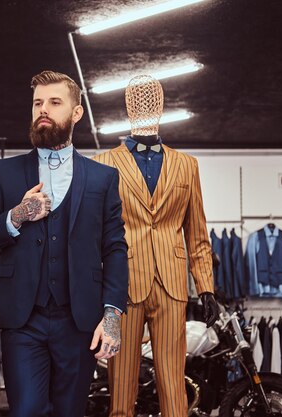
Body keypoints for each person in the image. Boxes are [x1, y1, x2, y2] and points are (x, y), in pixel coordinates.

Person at [0, 70, 128, 417]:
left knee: (71, 412)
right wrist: (18, 215)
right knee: (25, 411)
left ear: (76, 112)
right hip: (23, 321)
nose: (43, 109)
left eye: (55, 102)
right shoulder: (4, 173)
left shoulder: (103, 178)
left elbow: (115, 247)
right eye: (38, 102)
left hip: (79, 320)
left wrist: (112, 314)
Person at [93, 74, 219, 417]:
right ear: (127, 107)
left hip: (172, 286)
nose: (144, 106)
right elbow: (95, 234)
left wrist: (206, 287)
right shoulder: (104, 164)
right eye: (137, 100)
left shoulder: (186, 165)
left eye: (151, 100)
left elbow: (197, 234)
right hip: (123, 287)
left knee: (172, 384)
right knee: (121, 387)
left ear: (161, 106)